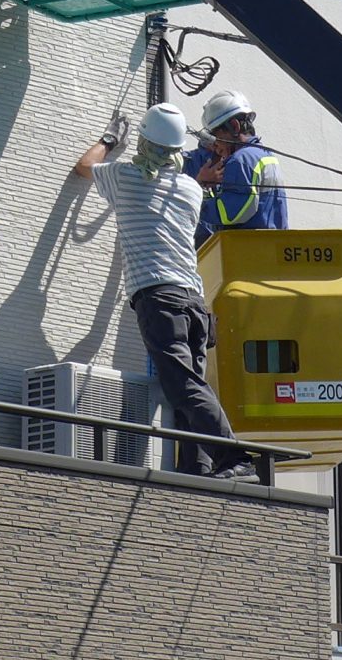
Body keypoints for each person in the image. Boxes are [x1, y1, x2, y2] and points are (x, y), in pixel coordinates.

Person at [75, 102, 253, 480]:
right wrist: (200, 180)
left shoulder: (124, 178)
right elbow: (174, 188)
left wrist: (109, 140)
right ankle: (198, 469)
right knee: (189, 388)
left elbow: (84, 167)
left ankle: (234, 459)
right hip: (194, 303)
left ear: (142, 141)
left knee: (182, 386)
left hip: (160, 298)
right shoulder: (191, 189)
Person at [186, 87, 287, 243]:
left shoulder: (240, 159)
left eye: (215, 135)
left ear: (234, 126)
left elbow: (230, 213)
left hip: (248, 253)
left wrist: (198, 198)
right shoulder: (265, 155)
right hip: (272, 250)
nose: (214, 145)